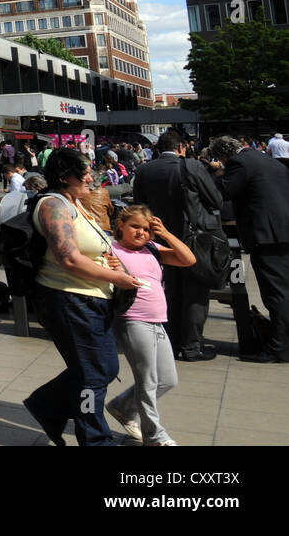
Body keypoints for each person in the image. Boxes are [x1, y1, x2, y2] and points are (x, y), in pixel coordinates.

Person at [23, 149, 143, 446]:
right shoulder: (53, 206)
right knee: (93, 373)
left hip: (90, 299)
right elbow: (70, 259)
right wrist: (118, 278)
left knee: (103, 368)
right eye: (85, 172)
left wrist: (109, 261)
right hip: (70, 300)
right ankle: (95, 438)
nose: (92, 177)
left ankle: (45, 405)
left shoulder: (75, 202)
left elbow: (92, 248)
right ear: (65, 176)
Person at [105, 205, 195, 446]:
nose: (141, 232)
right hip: (132, 319)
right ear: (121, 225)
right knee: (148, 380)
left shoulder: (152, 249)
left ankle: (122, 407)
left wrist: (164, 233)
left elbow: (188, 259)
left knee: (168, 379)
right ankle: (154, 436)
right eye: (135, 226)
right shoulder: (112, 250)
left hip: (157, 321)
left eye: (146, 229)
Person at [131, 129, 223, 362]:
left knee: (169, 290)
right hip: (191, 239)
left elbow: (140, 207)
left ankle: (170, 343)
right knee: (195, 293)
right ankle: (191, 346)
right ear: (181, 147)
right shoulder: (191, 167)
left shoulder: (144, 170)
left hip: (159, 240)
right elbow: (215, 200)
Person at [209, 135, 289, 362]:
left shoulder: (240, 163)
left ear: (224, 155)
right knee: (284, 289)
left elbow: (221, 192)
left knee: (276, 294)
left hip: (267, 236)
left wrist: (214, 171)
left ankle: (278, 348)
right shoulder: (270, 161)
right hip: (281, 231)